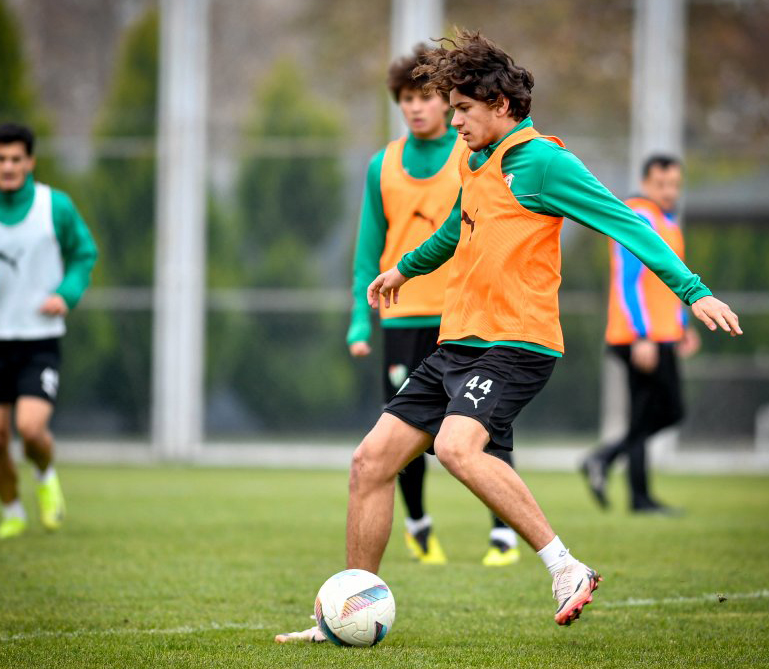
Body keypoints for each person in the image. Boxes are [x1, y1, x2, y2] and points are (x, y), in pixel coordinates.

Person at [276, 31, 740, 641]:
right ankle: (345, 613)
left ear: (500, 105)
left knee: (457, 447)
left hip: (517, 343)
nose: (453, 120)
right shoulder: (473, 160)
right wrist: (404, 269)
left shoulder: (545, 162)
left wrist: (693, 291)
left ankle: (566, 567)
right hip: (458, 344)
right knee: (369, 462)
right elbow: (455, 230)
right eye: (452, 108)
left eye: (463, 109)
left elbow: (626, 223)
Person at [346, 45, 520, 569]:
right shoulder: (382, 164)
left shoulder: (472, 154)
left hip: (462, 317)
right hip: (403, 318)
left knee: (482, 428)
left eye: (425, 97)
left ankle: (503, 533)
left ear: (446, 103)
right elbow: (368, 252)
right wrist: (360, 320)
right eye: (406, 99)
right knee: (398, 431)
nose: (416, 107)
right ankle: (419, 527)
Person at [0, 123, 98, 540]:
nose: (8, 166)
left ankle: (45, 475)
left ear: (30, 162)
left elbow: (83, 254)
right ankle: (12, 512)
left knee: (30, 429)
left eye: (16, 159)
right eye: (1, 159)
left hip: (39, 338)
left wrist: (67, 293)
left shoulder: (54, 207)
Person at [582, 155, 700, 513]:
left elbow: (668, 281)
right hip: (641, 338)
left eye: (674, 185)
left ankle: (632, 490)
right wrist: (642, 336)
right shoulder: (638, 215)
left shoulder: (666, 221)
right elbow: (629, 282)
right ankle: (608, 462)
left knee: (648, 415)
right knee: (669, 410)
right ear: (646, 182)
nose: (669, 191)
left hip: (661, 334)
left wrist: (681, 325)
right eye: (661, 184)